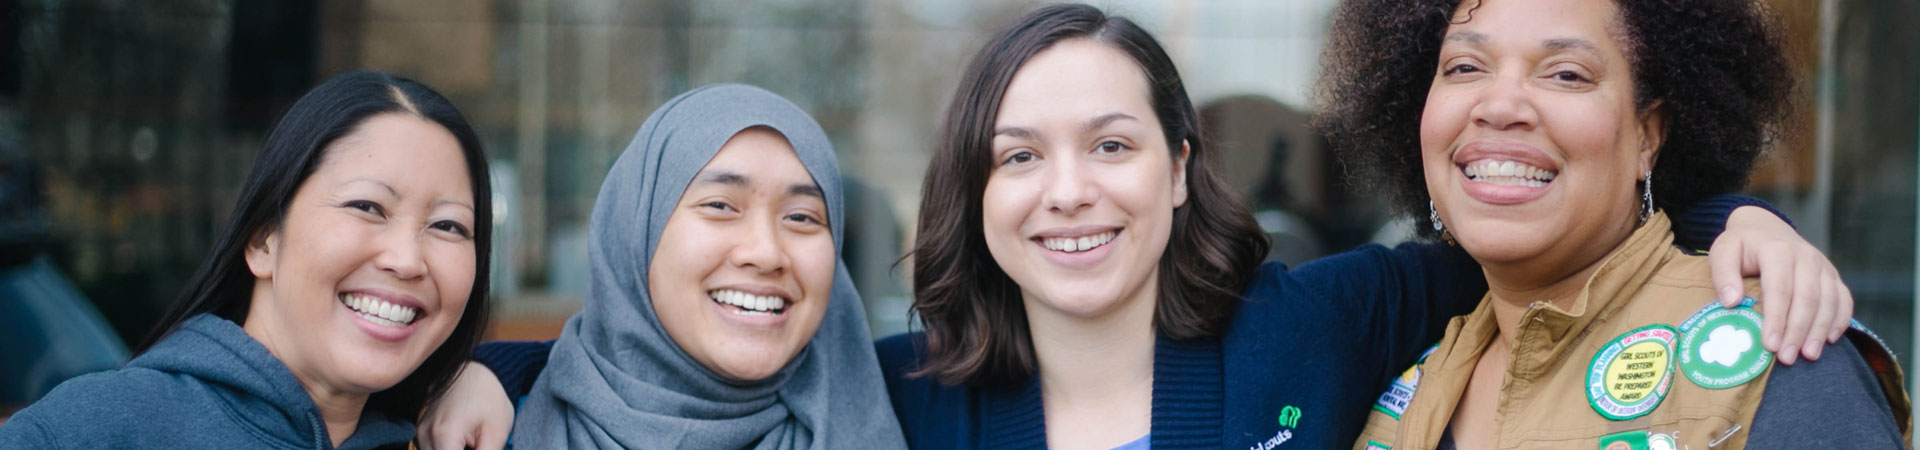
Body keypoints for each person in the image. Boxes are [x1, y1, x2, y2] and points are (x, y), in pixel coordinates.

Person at [874, 4, 1857, 450]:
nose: (1070, 191)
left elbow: (1546, 230)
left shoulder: (1316, 324)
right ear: (974, 186)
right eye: (1018, 156)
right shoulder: (890, 396)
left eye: (1113, 146)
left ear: (1179, 169)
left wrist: (1733, 222)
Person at [1317, 0, 1909, 448]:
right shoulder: (1400, 386)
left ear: (1647, 137)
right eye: (1466, 66)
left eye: (1566, 74)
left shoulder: (1769, 350)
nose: (1499, 106)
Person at [0, 70, 493, 449]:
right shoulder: (96, 429)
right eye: (367, 207)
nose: (408, 260)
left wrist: (488, 373)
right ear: (262, 240)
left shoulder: (447, 437)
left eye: (448, 225)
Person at [428, 84, 906, 450]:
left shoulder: (910, 411)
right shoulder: (480, 432)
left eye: (801, 217)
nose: (765, 252)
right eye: (721, 205)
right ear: (636, 232)